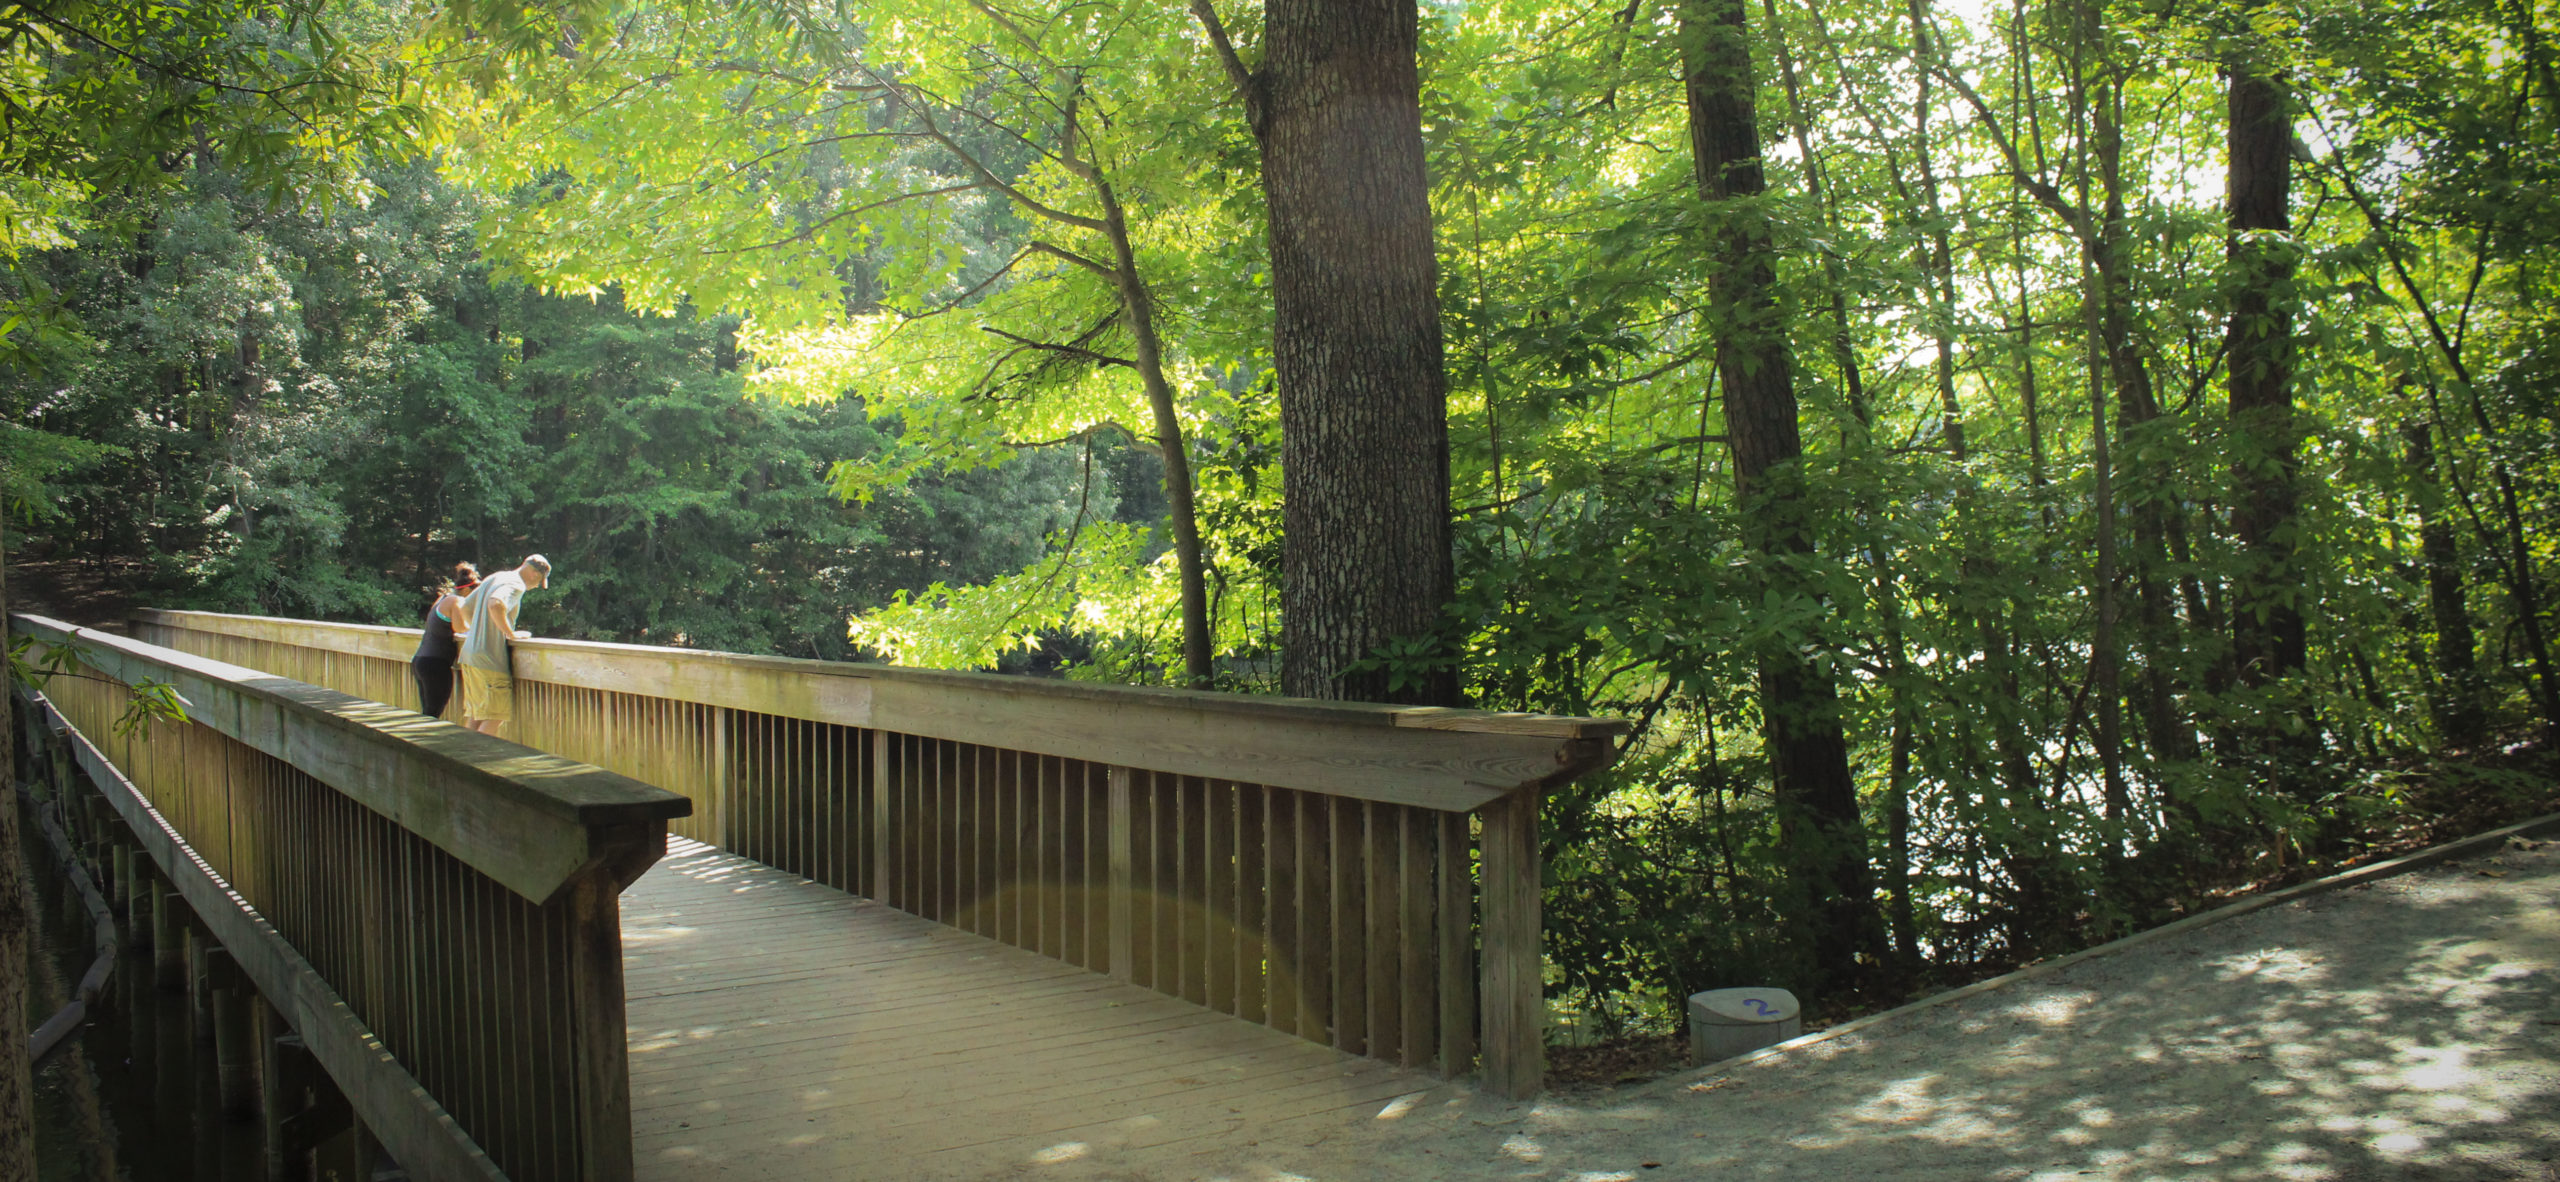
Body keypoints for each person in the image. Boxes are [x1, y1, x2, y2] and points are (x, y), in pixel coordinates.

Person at [455, 554, 551, 737]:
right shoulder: (516, 584)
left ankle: (462, 758)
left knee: (478, 714)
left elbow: (466, 607)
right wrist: (510, 633)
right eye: (539, 580)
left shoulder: (496, 577)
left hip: (470, 655)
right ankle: (476, 761)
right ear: (533, 573)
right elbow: (495, 604)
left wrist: (476, 632)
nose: (537, 585)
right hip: (490, 659)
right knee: (495, 716)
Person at [409, 562, 479, 718]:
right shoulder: (456, 601)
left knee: (428, 712)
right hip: (436, 664)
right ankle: (424, 741)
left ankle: (420, 740)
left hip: (421, 660)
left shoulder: (442, 599)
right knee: (433, 713)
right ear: (467, 590)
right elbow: (461, 629)